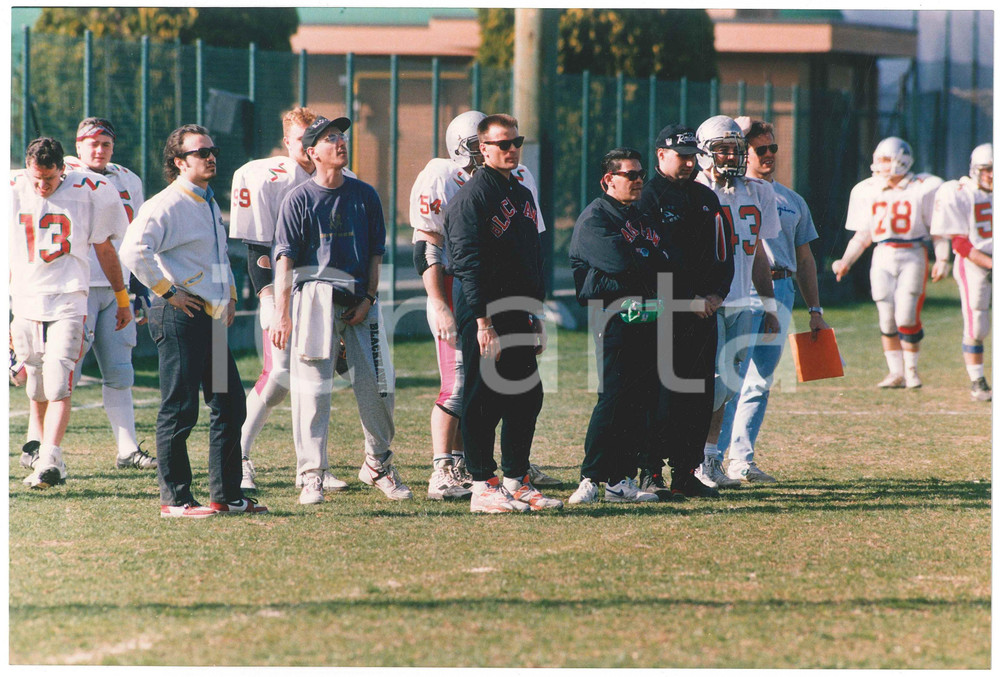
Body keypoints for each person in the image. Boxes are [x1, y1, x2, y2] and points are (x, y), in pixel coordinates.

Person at [409, 109, 557, 501]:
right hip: (484, 309)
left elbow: (532, 258)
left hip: (517, 308)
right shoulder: (470, 198)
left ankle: (516, 480)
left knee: (527, 394)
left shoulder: (521, 192)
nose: (511, 150)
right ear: (483, 149)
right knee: (481, 396)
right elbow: (468, 265)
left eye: (516, 143)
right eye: (502, 144)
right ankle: (481, 484)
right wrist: (481, 320)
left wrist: (536, 313)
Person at [121, 124, 267, 518]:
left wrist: (230, 295)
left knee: (229, 404)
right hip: (180, 317)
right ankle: (176, 500)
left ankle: (226, 494)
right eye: (200, 152)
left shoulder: (206, 201)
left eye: (212, 150)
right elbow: (133, 251)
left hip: (211, 320)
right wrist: (168, 291)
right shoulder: (167, 203)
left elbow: (217, 257)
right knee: (180, 408)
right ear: (178, 162)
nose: (210, 156)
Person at [270, 115, 412, 505]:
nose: (340, 142)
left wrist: (369, 298)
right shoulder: (298, 199)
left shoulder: (365, 195)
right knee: (313, 392)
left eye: (341, 136)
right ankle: (311, 474)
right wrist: (282, 314)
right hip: (314, 299)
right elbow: (284, 260)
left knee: (381, 386)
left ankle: (378, 463)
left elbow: (375, 255)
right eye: (329, 138)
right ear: (312, 152)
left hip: (359, 302)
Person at [229, 106, 356, 492]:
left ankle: (317, 466)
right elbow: (258, 249)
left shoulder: (342, 178)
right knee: (280, 375)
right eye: (301, 139)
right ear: (287, 142)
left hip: (323, 294)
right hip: (283, 289)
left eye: (315, 138)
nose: (309, 146)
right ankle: (238, 456)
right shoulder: (265, 176)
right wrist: (270, 300)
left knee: (316, 380)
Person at [11, 137, 133, 489]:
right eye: (36, 179)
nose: (42, 186)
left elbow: (105, 248)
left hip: (69, 298)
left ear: (63, 170)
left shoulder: (89, 189)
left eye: (49, 179)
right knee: (33, 382)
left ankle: (50, 458)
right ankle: (47, 454)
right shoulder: (14, 188)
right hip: (25, 299)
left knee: (59, 381)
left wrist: (122, 298)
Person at [716, 118, 831, 483]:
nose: (768, 155)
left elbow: (806, 258)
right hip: (742, 288)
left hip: (780, 289)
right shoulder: (728, 192)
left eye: (772, 148)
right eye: (759, 149)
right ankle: (709, 459)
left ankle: (741, 459)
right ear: (742, 153)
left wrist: (815, 310)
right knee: (728, 380)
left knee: (759, 381)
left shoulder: (792, 200)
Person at [635, 124, 735, 499]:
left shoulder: (706, 197)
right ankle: (649, 471)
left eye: (694, 157)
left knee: (697, 395)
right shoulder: (646, 198)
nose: (690, 164)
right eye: (682, 157)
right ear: (661, 155)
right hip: (664, 315)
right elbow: (649, 261)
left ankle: (685, 471)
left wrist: (716, 295)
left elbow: (725, 253)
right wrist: (685, 298)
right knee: (657, 394)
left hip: (704, 314)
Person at [58, 116, 156, 471]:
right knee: (61, 373)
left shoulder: (129, 178)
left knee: (119, 370)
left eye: (105, 144)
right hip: (75, 288)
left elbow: (136, 236)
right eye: (92, 144)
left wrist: (139, 286)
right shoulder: (63, 175)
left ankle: (127, 449)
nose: (99, 150)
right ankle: (43, 448)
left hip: (117, 290)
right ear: (78, 144)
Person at [566, 147, 661, 504]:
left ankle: (620, 479)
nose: (638, 181)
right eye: (630, 175)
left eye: (641, 175)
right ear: (609, 180)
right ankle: (590, 477)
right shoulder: (596, 218)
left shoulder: (638, 215)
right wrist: (645, 263)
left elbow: (662, 258)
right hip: (613, 317)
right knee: (613, 397)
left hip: (645, 315)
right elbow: (624, 264)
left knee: (638, 399)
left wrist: (646, 263)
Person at [693, 115, 781, 491]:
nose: (731, 156)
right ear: (703, 153)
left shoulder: (759, 192)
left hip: (743, 300)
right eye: (722, 149)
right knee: (705, 383)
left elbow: (759, 253)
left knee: (728, 385)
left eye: (735, 149)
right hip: (706, 304)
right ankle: (691, 459)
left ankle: (709, 459)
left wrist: (770, 305)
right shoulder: (694, 189)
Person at [832, 137, 943, 389]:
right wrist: (846, 261)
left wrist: (942, 257)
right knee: (886, 316)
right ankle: (896, 372)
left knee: (905, 314)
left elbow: (937, 228)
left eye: (885, 159)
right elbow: (863, 234)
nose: (879, 165)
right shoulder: (867, 189)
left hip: (912, 252)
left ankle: (912, 370)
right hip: (882, 253)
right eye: (879, 159)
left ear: (901, 161)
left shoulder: (923, 186)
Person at [930, 142, 993, 401]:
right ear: (975, 170)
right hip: (975, 263)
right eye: (987, 169)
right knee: (977, 324)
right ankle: (977, 380)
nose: (992, 174)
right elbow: (960, 242)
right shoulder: (960, 192)